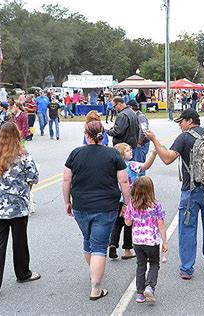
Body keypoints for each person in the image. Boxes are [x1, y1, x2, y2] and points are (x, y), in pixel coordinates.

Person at [145, 108, 204, 279]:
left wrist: (154, 140)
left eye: (181, 121)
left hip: (191, 190)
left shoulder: (185, 137)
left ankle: (187, 268)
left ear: (189, 121)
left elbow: (167, 158)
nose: (180, 125)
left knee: (187, 228)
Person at [63, 120, 130, 301]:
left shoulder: (75, 153)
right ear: (103, 135)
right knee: (100, 246)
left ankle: (94, 271)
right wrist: (127, 203)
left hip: (81, 206)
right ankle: (96, 287)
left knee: (87, 240)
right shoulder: (113, 155)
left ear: (86, 135)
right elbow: (124, 181)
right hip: (106, 207)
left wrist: (66, 201)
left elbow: (66, 180)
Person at [0, 122, 41, 301]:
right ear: (17, 135)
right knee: (20, 240)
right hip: (18, 206)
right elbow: (34, 177)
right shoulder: (22, 156)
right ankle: (23, 273)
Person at [109, 143, 157, 260]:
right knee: (128, 224)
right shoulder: (131, 165)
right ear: (121, 154)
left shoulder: (113, 166)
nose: (131, 152)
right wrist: (154, 154)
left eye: (131, 150)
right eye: (127, 150)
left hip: (116, 199)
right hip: (130, 199)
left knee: (117, 223)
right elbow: (145, 166)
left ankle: (113, 244)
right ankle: (127, 250)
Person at [124, 176, 167, 304]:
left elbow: (127, 223)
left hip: (137, 241)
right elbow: (161, 225)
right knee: (154, 264)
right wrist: (165, 242)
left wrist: (128, 214)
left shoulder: (132, 204)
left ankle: (140, 294)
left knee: (141, 265)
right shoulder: (156, 205)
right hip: (152, 241)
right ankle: (150, 286)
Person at [128, 100, 150, 168]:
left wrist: (139, 142)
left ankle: (141, 178)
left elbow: (144, 130)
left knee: (139, 165)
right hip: (136, 143)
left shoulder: (140, 116)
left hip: (141, 144)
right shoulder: (134, 116)